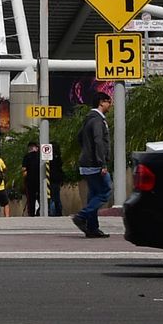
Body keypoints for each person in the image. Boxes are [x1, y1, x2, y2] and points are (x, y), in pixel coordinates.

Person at [72, 86, 114, 239]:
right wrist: (102, 163)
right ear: (101, 103)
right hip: (95, 164)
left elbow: (79, 138)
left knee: (93, 195)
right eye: (109, 102)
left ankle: (92, 228)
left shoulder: (88, 119)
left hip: (87, 162)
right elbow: (98, 141)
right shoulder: (97, 121)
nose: (110, 105)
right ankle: (81, 216)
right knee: (105, 192)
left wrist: (86, 151)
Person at [22, 138, 43, 216]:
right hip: (40, 180)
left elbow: (24, 170)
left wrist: (24, 179)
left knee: (31, 199)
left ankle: (31, 214)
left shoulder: (27, 157)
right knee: (41, 197)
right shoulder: (40, 156)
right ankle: (41, 211)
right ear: (35, 147)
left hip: (30, 181)